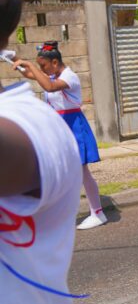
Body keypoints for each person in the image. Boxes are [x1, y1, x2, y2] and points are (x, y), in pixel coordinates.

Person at [0, 0, 138, 304]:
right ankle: (95, 209)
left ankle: (98, 211)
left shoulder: (56, 89)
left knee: (85, 175)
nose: (43, 64)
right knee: (80, 176)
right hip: (59, 126)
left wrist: (35, 75)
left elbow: (54, 88)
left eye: (46, 59)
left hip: (69, 124)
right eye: (41, 60)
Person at [15, 41, 108, 230]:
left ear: (55, 62)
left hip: (73, 126)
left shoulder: (70, 77)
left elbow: (48, 87)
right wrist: (15, 60)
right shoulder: (52, 74)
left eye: (44, 66)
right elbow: (30, 75)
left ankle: (98, 213)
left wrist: (32, 66)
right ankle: (55, 214)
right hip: (59, 126)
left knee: (81, 172)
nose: (42, 70)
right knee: (56, 172)